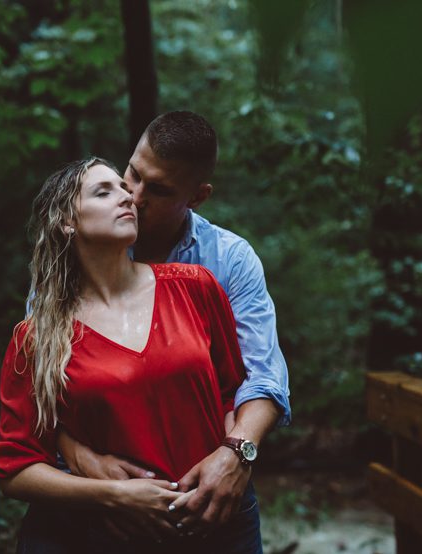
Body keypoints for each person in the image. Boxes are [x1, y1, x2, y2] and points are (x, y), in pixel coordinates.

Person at [0, 158, 260, 553]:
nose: (127, 198)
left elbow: (231, 391)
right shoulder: (38, 338)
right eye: (104, 192)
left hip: (217, 524)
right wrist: (112, 496)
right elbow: (15, 470)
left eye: (123, 187)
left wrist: (230, 459)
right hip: (108, 537)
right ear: (66, 222)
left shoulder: (194, 287)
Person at [56, 111, 290, 541]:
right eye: (133, 173)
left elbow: (262, 376)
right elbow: (39, 381)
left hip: (206, 492)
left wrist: (236, 452)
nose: (134, 195)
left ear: (198, 196)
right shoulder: (75, 252)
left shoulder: (226, 261)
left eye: (159, 189)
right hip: (100, 505)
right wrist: (83, 460)